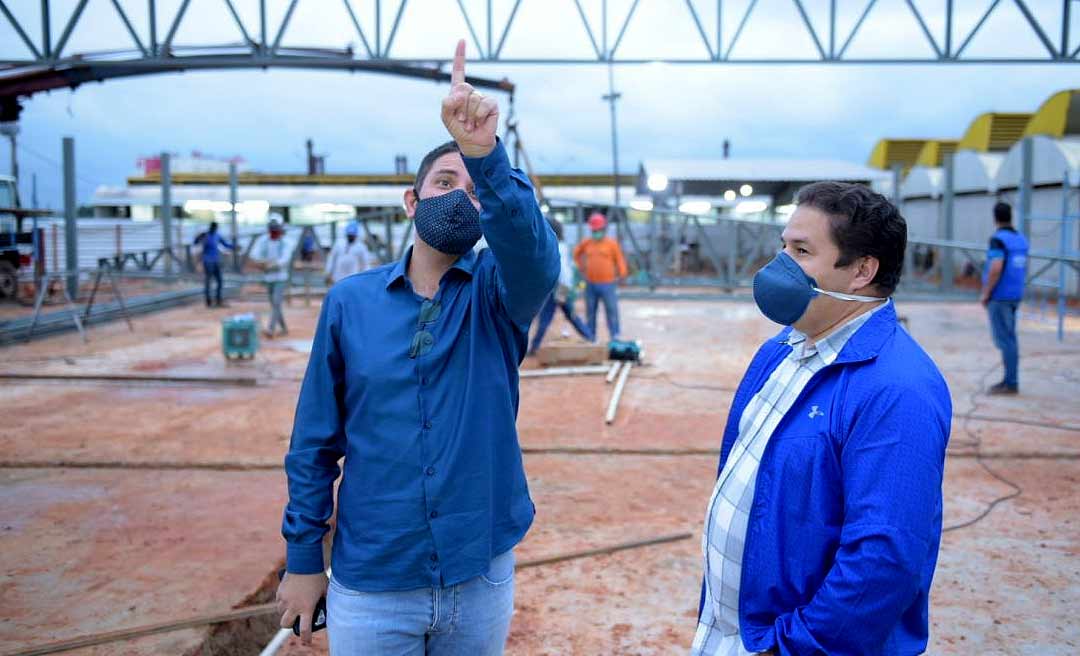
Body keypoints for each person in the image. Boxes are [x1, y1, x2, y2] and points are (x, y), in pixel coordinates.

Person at [275, 40, 559, 654]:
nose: (461, 195)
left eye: (473, 188)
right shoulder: (350, 303)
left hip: (476, 574)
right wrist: (302, 557)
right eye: (443, 180)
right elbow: (316, 440)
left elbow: (534, 252)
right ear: (412, 201)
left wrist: (485, 155)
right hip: (374, 579)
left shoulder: (499, 293)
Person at [693, 182, 952, 656]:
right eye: (783, 246)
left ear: (861, 271)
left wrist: (791, 646)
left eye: (802, 250)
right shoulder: (778, 353)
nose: (780, 265)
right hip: (733, 633)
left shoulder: (898, 390)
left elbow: (884, 561)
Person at [979, 201, 1028, 395]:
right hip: (1015, 294)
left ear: (995, 218)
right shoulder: (1021, 239)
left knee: (1005, 340)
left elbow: (996, 268)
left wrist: (986, 292)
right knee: (1011, 339)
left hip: (1000, 296)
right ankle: (1011, 379)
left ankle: (1010, 382)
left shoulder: (998, 240)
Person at [528, 217, 593, 354]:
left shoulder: (558, 247)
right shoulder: (560, 245)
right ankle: (590, 338)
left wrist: (563, 290)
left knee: (551, 317)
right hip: (558, 286)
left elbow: (564, 270)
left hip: (559, 287)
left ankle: (534, 346)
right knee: (566, 316)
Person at [573, 212, 628, 342]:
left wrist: (622, 274)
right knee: (590, 312)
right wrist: (580, 267)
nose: (596, 232)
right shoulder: (586, 243)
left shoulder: (611, 244)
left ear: (604, 229)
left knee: (611, 311)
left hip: (608, 284)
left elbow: (619, 260)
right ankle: (591, 336)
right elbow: (576, 254)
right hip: (590, 284)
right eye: (594, 230)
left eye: (599, 229)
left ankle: (615, 335)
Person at [251, 216, 294, 338]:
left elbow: (284, 260)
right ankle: (284, 327)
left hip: (280, 277)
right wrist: (261, 263)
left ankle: (271, 328)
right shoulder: (263, 241)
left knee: (276, 302)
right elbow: (255, 255)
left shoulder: (287, 242)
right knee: (275, 304)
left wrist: (269, 264)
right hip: (268, 278)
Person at [193, 221, 234, 307]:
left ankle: (218, 300)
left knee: (219, 281)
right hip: (208, 262)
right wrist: (199, 236)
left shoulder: (217, 236)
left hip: (216, 261)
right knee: (208, 281)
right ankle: (208, 301)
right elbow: (196, 242)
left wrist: (234, 246)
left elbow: (225, 244)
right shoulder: (205, 236)